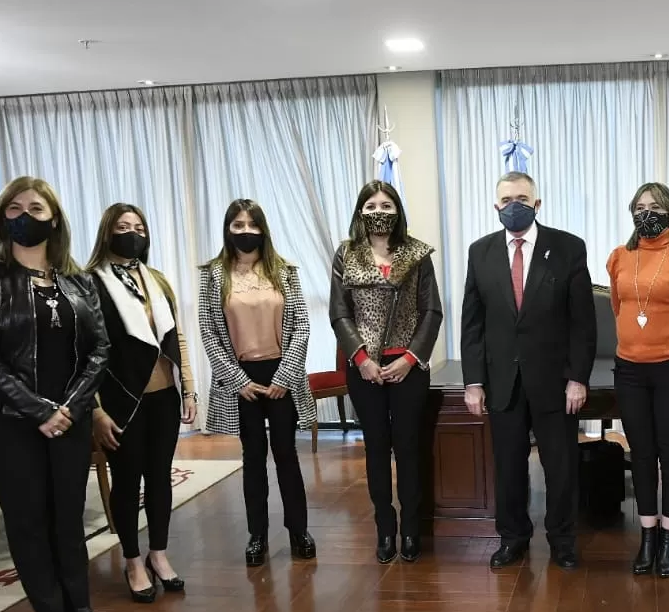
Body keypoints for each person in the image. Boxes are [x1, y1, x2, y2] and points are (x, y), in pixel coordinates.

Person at [0, 176, 112, 612]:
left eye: (36, 207)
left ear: (54, 219)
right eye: (14, 207)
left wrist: (68, 406)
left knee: (67, 518)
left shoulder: (78, 281)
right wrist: (37, 409)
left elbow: (100, 350)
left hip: (69, 418)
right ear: (2, 217)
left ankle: (81, 609)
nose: (25, 214)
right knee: (28, 522)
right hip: (10, 422)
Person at [461, 171, 597, 569]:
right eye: (506, 200)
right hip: (502, 381)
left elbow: (582, 323)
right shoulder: (480, 251)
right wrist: (473, 382)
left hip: (555, 382)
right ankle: (513, 538)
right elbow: (473, 323)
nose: (513, 205)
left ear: (537, 204)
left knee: (561, 467)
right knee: (508, 467)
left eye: (522, 198)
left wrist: (577, 377)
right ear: (495, 206)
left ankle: (563, 540)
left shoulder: (568, 247)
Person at [87, 203, 197, 602]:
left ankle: (159, 554)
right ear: (107, 232)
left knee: (159, 477)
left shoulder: (156, 280)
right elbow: (85, 353)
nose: (132, 232)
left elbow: (176, 338)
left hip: (164, 396)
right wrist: (95, 410)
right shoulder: (91, 283)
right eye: (122, 226)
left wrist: (189, 386)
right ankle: (132, 560)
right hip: (121, 400)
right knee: (127, 479)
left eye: (138, 227)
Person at [198, 199, 317, 568]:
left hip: (283, 377)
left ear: (263, 229)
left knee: (286, 456)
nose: (245, 230)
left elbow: (302, 327)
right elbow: (208, 330)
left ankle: (299, 530)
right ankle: (257, 535)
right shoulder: (214, 273)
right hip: (241, 379)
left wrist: (284, 375)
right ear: (227, 229)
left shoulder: (284, 271)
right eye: (237, 224)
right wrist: (236, 380)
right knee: (253, 459)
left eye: (252, 224)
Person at [330, 181, 442, 564]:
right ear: (361, 211)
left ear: (398, 211)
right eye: (372, 204)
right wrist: (361, 359)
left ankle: (411, 530)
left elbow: (432, 311)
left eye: (388, 205)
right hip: (364, 370)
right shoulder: (346, 254)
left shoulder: (417, 253)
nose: (380, 211)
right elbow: (339, 312)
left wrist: (410, 358)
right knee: (376, 448)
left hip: (407, 367)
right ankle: (385, 529)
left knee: (409, 448)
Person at [606, 182, 669, 577]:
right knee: (642, 453)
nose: (645, 213)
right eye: (639, 207)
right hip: (630, 370)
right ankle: (647, 535)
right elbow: (620, 311)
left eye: (654, 206)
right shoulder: (619, 257)